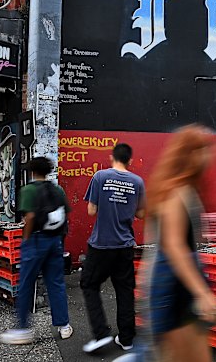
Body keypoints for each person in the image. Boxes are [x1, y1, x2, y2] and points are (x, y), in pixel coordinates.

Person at [143, 125, 216, 362]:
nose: (210, 156)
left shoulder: (185, 188)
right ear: (188, 154)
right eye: (203, 150)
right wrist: (203, 293)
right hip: (172, 287)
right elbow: (174, 246)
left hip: (180, 284)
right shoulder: (176, 191)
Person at [0, 157, 73, 344]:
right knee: (56, 284)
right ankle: (64, 326)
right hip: (55, 241)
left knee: (26, 284)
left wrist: (26, 238)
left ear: (31, 171)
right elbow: (66, 213)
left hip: (35, 241)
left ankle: (23, 329)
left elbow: (30, 216)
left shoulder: (29, 190)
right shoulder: (57, 190)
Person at [81, 143, 146, 353]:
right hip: (125, 245)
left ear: (111, 157)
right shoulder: (138, 182)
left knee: (89, 284)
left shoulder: (100, 177)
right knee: (125, 291)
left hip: (101, 244)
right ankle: (126, 339)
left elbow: (91, 211)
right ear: (131, 161)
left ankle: (101, 334)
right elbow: (142, 214)